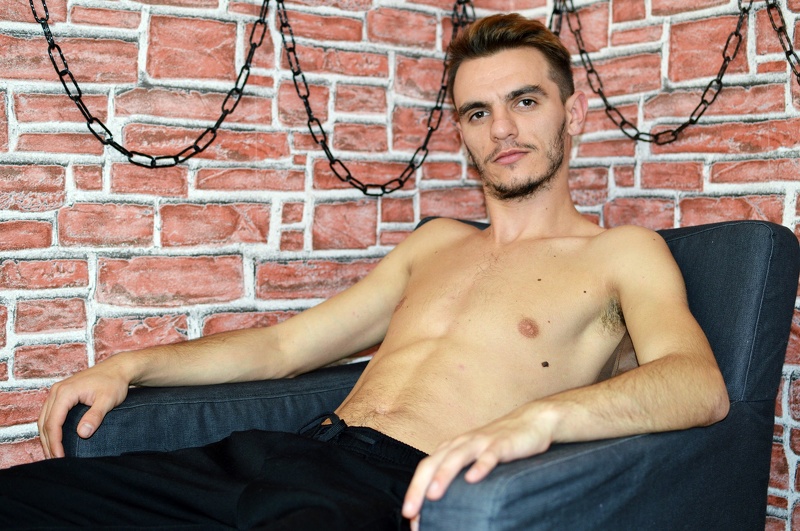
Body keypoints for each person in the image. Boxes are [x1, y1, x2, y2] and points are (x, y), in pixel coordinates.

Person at [0, 13, 729, 530]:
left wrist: (537, 422)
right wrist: (130, 366)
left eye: (526, 101)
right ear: (461, 132)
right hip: (281, 453)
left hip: (389, 490)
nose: (503, 128)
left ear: (574, 114)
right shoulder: (436, 243)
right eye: (477, 112)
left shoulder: (621, 253)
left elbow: (698, 385)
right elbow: (285, 347)